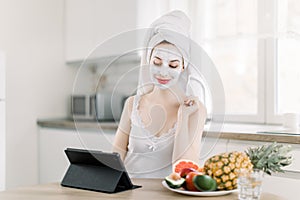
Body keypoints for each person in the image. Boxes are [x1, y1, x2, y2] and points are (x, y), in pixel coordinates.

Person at [112, 10, 207, 178]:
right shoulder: (132, 104)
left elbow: (184, 170)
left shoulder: (195, 110)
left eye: (173, 65)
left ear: (183, 67)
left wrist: (183, 117)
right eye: (157, 62)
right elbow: (116, 158)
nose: (163, 72)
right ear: (148, 60)